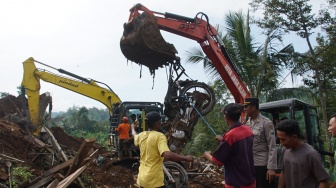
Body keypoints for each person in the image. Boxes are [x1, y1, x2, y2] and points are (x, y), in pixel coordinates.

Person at [131, 111, 193, 188]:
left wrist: (132, 128)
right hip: (154, 181)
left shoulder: (142, 135)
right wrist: (185, 158)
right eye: (160, 121)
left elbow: (134, 135)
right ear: (156, 123)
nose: (161, 123)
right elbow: (167, 155)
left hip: (142, 180)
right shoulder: (159, 136)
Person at [203, 103, 256, 188]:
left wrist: (207, 155)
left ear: (226, 117)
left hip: (237, 183)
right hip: (250, 181)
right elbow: (239, 147)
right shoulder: (248, 130)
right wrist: (223, 140)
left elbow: (217, 161)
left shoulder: (230, 136)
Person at [276, 119, 329, 188]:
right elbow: (284, 172)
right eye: (279, 139)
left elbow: (323, 181)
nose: (281, 143)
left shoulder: (311, 154)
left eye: (283, 139)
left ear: (294, 137)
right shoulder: (285, 151)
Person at [243, 97, 277, 188]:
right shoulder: (247, 123)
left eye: (246, 106)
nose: (244, 109)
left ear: (253, 107)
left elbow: (272, 146)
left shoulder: (266, 123)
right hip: (250, 163)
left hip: (261, 165)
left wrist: (271, 168)